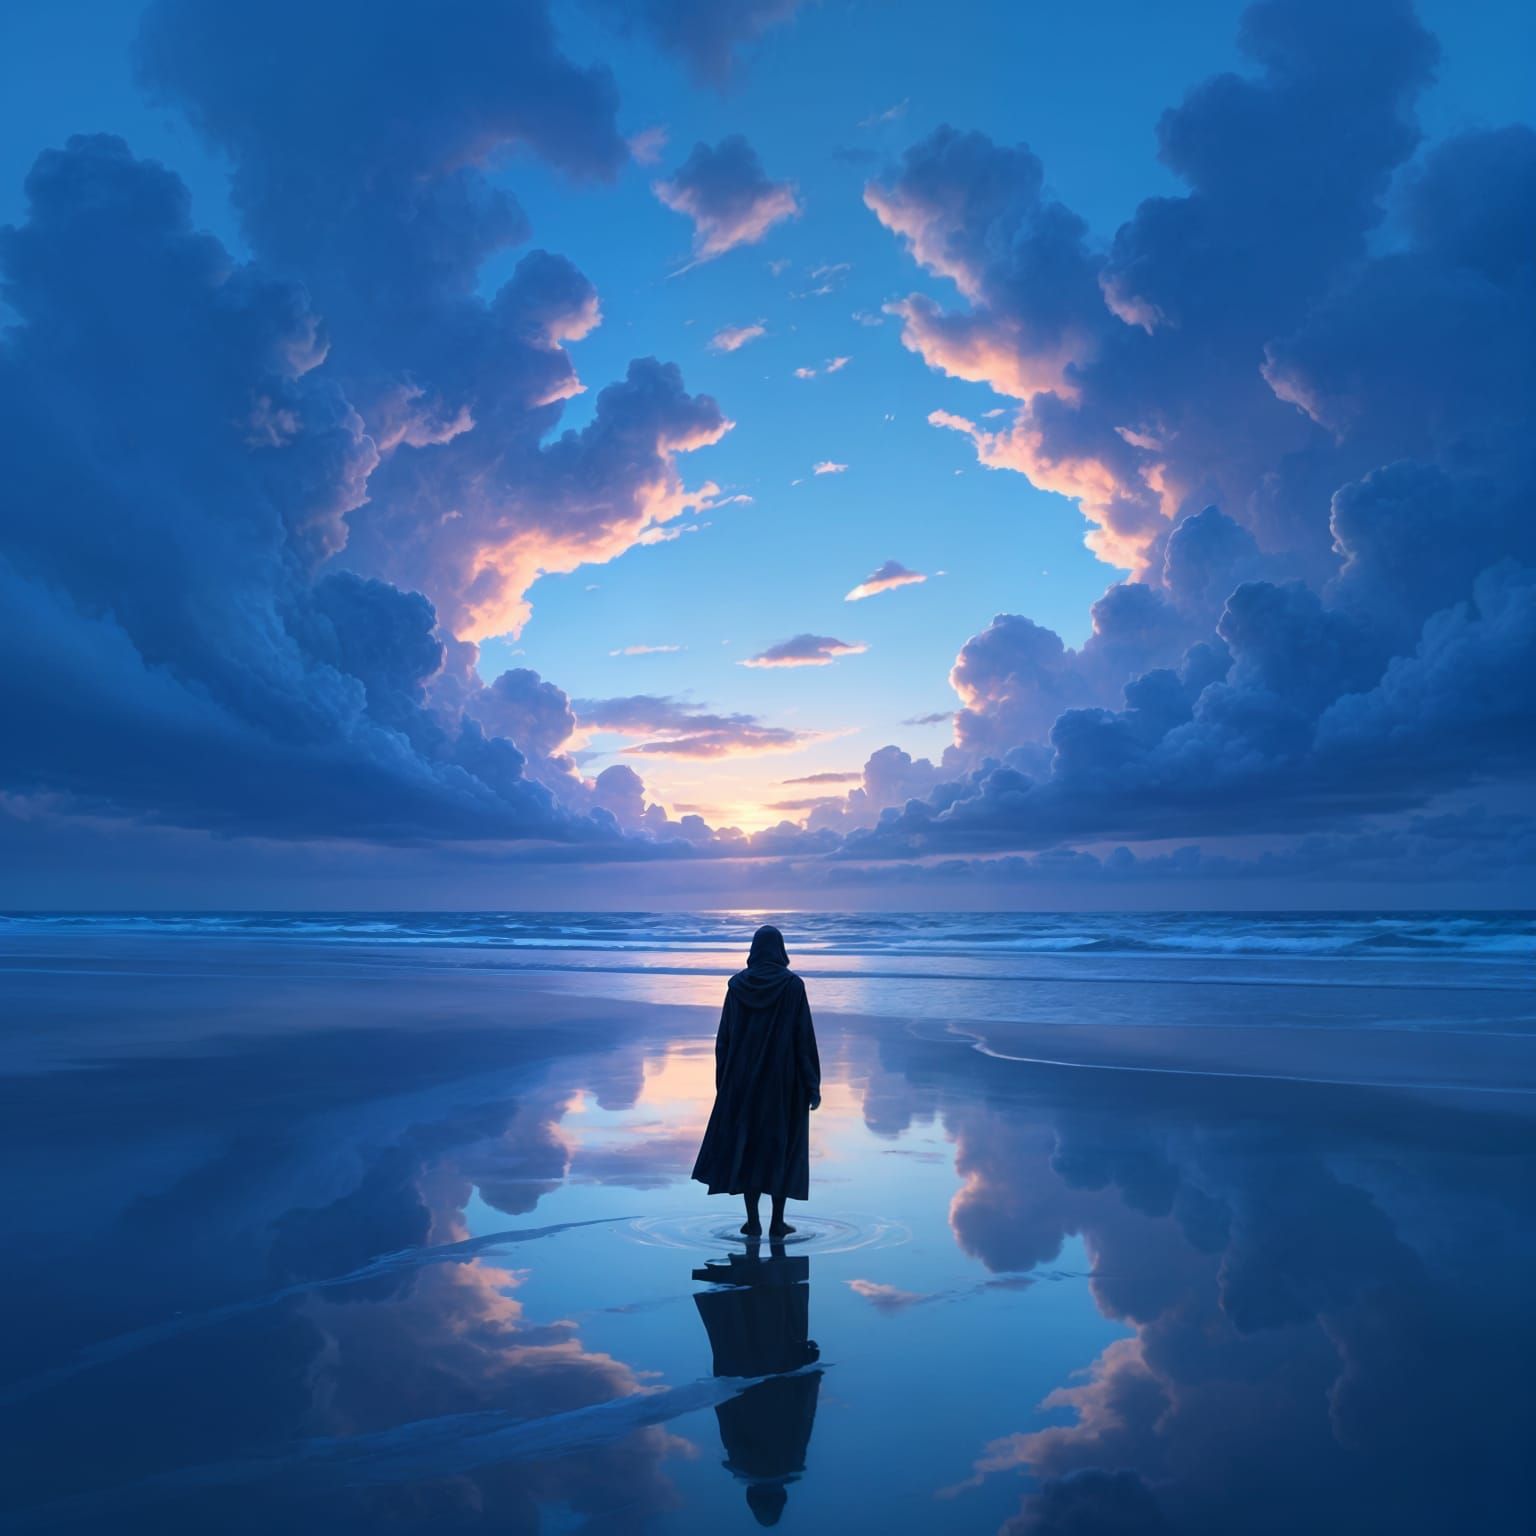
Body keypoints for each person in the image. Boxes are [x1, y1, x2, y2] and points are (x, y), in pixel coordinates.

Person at [691, 924, 821, 1238]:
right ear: (781, 949)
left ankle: (753, 1221)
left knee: (748, 1149)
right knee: (781, 1149)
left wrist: (724, 1082)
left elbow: (724, 1038)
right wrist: (812, 1083)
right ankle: (777, 1222)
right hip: (783, 1083)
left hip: (742, 1082)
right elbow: (803, 1038)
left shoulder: (736, 986)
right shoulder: (792, 986)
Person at [692, 1246, 821, 1527]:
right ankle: (746, 1265)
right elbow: (728, 1417)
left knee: (772, 1314)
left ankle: (757, 1264)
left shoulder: (789, 1462)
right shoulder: (745, 1464)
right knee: (747, 1317)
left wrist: (811, 1377)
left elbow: (803, 1417)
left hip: (777, 1377)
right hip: (744, 1374)